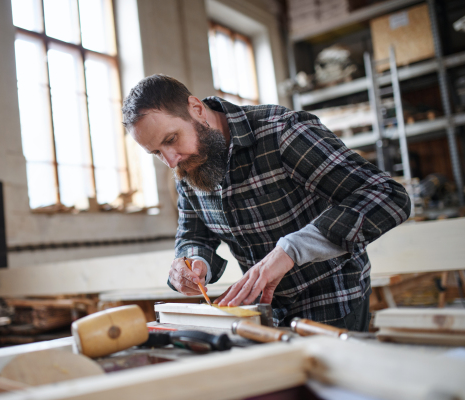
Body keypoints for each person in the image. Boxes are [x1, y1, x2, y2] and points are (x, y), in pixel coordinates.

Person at [122, 74, 411, 331]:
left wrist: (290, 251)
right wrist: (193, 261)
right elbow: (194, 235)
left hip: (332, 299)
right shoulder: (186, 164)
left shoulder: (282, 132)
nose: (171, 160)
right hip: (265, 311)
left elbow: (387, 195)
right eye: (157, 153)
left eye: (172, 139)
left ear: (196, 109)